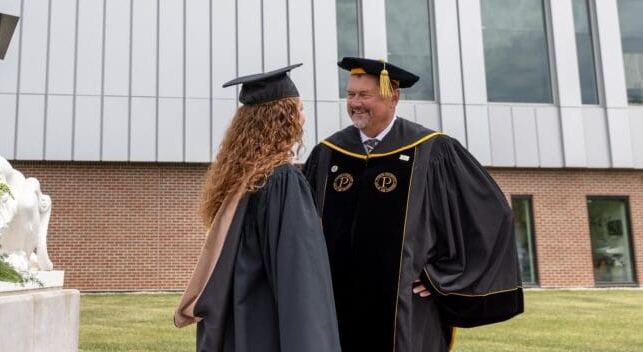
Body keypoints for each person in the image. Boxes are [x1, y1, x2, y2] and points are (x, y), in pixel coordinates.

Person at [303, 57, 524, 352]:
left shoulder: (431, 150)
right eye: (351, 94)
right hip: (335, 306)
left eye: (364, 95)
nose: (355, 103)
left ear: (393, 96)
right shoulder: (328, 154)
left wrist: (439, 278)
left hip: (405, 310)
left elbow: (491, 216)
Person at [175, 64, 341, 352]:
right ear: (283, 118)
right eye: (299, 109)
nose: (303, 116)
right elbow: (301, 283)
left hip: (239, 328)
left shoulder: (240, 183)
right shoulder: (283, 182)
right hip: (269, 331)